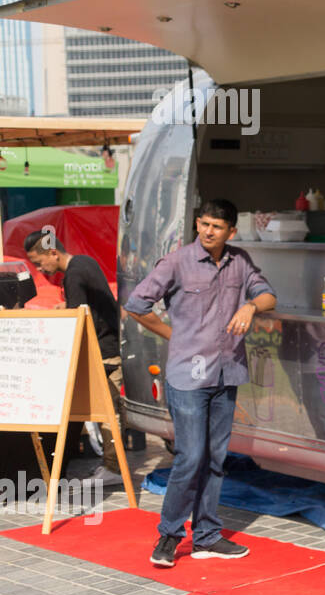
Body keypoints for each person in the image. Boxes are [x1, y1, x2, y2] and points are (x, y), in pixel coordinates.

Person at [123, 199, 276, 567]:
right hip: (187, 376)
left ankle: (207, 536)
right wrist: (173, 336)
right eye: (203, 224)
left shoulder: (240, 261)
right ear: (196, 224)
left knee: (216, 458)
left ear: (231, 232)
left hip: (227, 373)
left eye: (216, 226)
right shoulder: (177, 262)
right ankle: (169, 536)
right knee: (191, 457)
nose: (208, 231)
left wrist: (250, 306)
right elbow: (136, 303)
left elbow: (269, 296)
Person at [24, 231, 124, 484]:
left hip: (103, 351)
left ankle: (114, 469)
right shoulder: (84, 262)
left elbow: (79, 319)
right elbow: (85, 307)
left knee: (107, 413)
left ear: (53, 253)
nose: (40, 269)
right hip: (109, 345)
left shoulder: (74, 274)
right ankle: (111, 466)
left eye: (39, 262)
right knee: (105, 412)